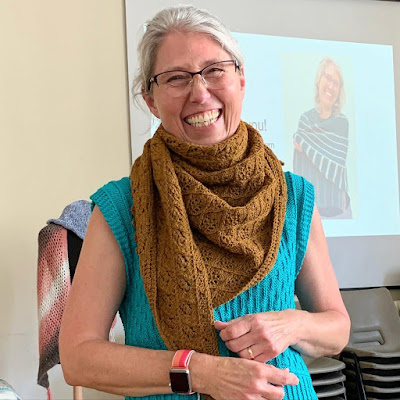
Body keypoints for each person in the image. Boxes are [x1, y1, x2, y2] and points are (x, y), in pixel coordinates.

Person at [59, 6, 350, 400]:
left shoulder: (293, 196)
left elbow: (337, 329)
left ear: (240, 79)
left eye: (215, 70)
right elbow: (78, 357)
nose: (200, 92)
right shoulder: (121, 207)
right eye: (176, 78)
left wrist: (291, 325)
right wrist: (199, 372)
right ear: (150, 98)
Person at [293, 57, 352, 219]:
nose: (331, 86)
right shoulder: (305, 120)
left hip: (339, 211)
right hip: (311, 214)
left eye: (336, 83)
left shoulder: (342, 123)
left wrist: (305, 146)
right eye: (328, 78)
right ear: (319, 80)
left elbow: (335, 159)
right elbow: (300, 170)